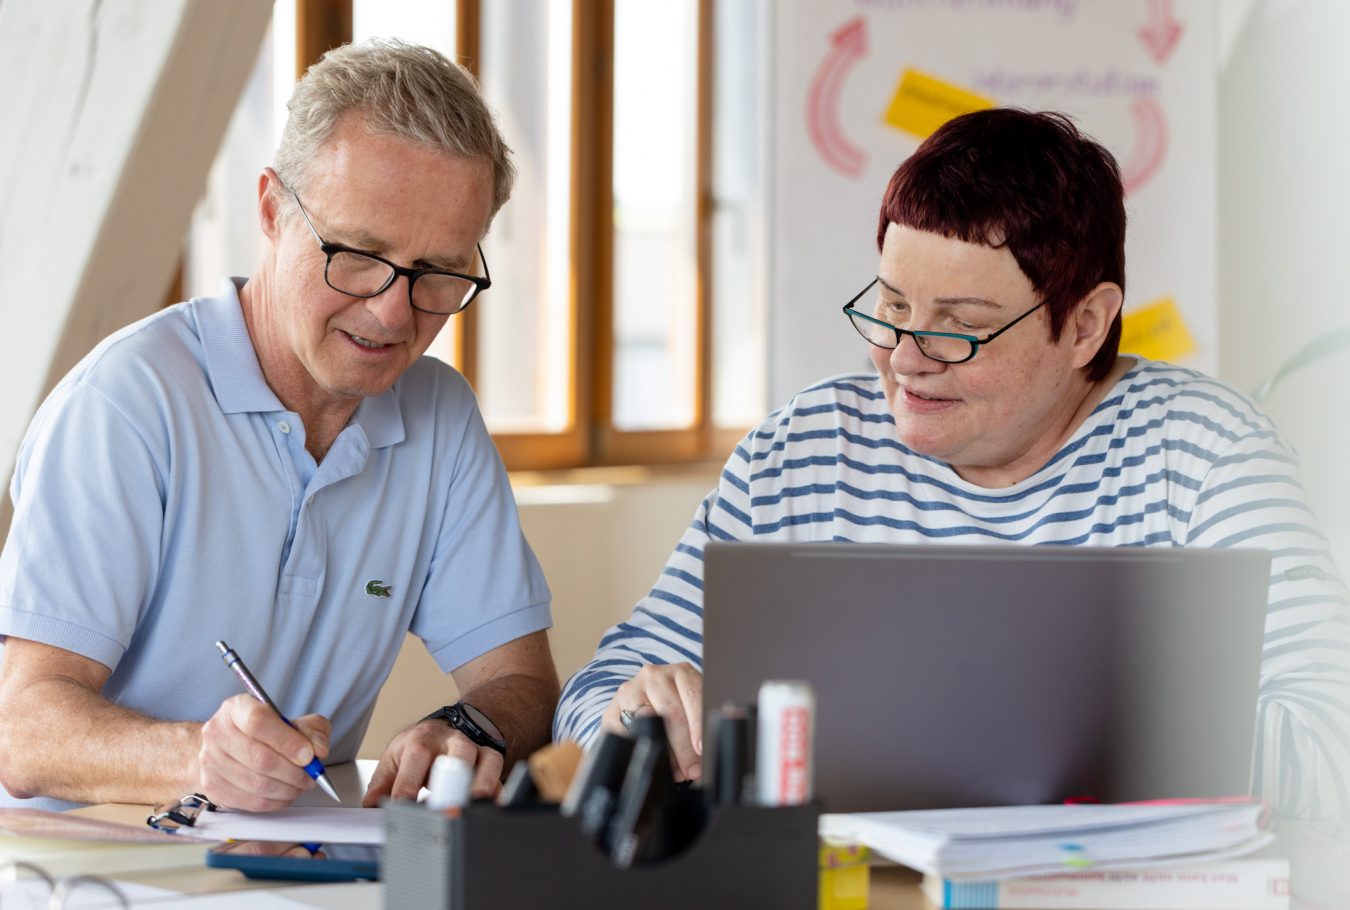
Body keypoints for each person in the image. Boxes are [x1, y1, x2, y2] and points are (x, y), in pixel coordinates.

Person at [554, 108, 1350, 818]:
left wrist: (1022, 724)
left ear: (1085, 325)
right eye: (892, 307)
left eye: (959, 328)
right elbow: (593, 695)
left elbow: (1330, 741)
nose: (905, 358)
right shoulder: (802, 447)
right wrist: (632, 718)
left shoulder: (1205, 452)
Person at [0, 40, 559, 813]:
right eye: (359, 254)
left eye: (439, 272)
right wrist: (200, 756)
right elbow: (22, 728)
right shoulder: (127, 403)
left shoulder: (440, 416)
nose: (393, 311)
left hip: (298, 871)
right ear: (269, 208)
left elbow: (522, 680)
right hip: (88, 876)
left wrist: (470, 725)